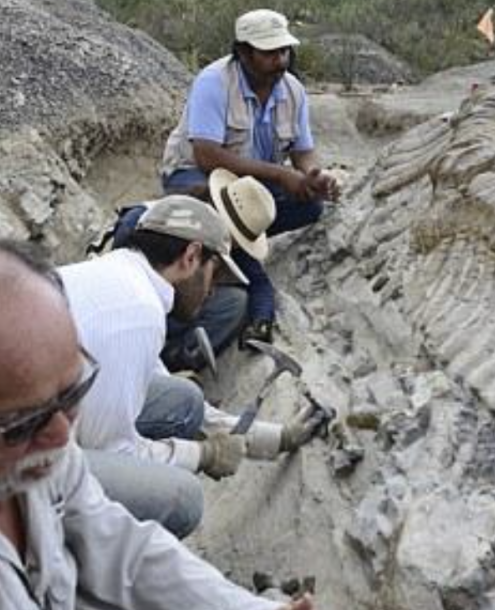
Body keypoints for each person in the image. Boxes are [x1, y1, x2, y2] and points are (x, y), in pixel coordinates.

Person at [0, 239, 311, 610]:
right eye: (26, 421)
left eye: (72, 391)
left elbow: (115, 541)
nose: (63, 436)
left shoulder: (15, 430)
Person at [59, 195, 326, 538]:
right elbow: (114, 452)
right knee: (183, 499)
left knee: (183, 398)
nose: (213, 291)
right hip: (5, 472)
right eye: (214, 276)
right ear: (191, 256)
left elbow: (167, 390)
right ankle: (84, 579)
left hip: (21, 425)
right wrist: (202, 454)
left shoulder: (120, 274)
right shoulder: (136, 314)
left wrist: (274, 439)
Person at [160, 8, 340, 344]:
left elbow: (302, 150)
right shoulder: (214, 82)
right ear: (243, 52)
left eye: (283, 51)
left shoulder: (293, 91)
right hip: (194, 176)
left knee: (311, 207)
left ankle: (232, 243)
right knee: (213, 211)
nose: (280, 60)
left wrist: (314, 175)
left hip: (250, 185)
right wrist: (281, 174)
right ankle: (258, 295)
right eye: (269, 53)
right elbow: (206, 154)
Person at [100, 170, 278, 373]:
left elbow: (260, 283)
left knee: (235, 302)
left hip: (165, 314)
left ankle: (173, 361)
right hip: (125, 314)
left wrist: (261, 321)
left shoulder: (226, 243)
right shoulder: (146, 220)